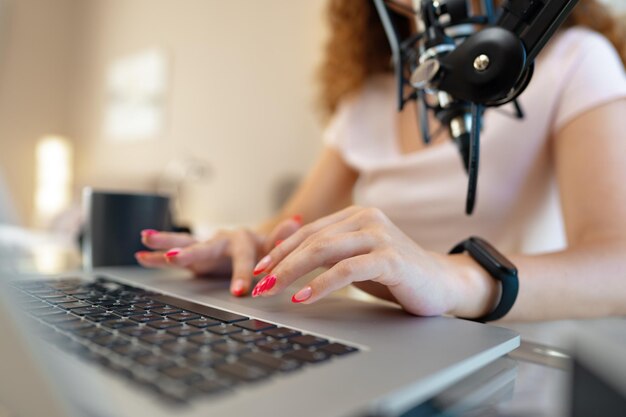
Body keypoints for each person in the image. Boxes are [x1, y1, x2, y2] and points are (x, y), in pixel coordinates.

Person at [136, 0, 626, 322]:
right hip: (385, 356)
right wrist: (250, 247)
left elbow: (616, 268)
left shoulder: (578, 61)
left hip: (509, 369)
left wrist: (452, 277)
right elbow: (287, 227)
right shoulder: (367, 99)